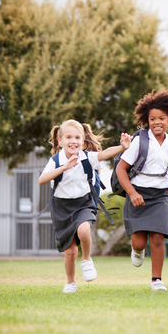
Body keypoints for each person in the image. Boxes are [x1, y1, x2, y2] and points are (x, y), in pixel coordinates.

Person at [116, 89, 168, 292]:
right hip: (138, 193)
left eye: (161, 118)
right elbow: (121, 169)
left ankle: (157, 280)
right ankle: (137, 250)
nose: (157, 122)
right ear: (147, 120)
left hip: (160, 195)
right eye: (152, 118)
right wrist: (133, 193)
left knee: (158, 237)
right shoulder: (140, 140)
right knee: (138, 241)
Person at [38, 119, 132, 294]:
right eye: (68, 137)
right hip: (62, 207)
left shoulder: (87, 158)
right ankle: (70, 282)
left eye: (77, 137)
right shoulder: (55, 160)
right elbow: (42, 179)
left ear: (83, 140)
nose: (73, 141)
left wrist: (123, 147)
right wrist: (64, 167)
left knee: (83, 231)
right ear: (60, 140)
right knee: (70, 252)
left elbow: (104, 154)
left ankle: (87, 259)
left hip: (84, 202)